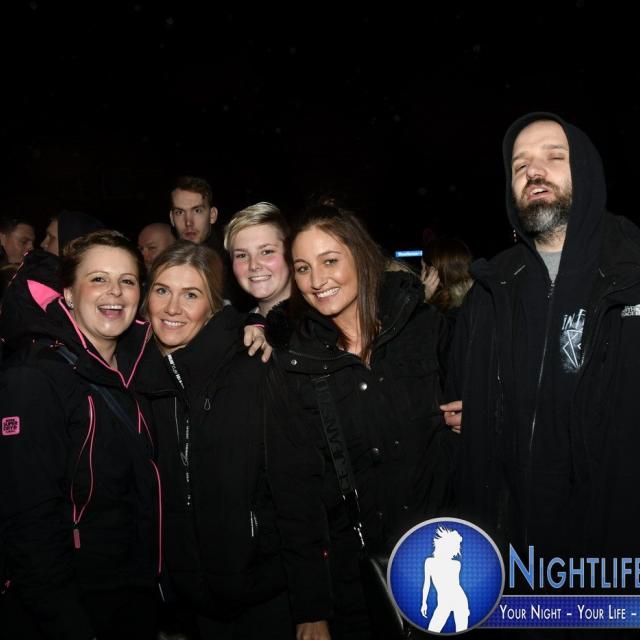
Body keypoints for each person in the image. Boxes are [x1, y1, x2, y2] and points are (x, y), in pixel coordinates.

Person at [445, 112, 640, 566]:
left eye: (554, 157)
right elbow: (459, 409)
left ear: (586, 172)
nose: (534, 171)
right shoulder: (490, 289)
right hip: (512, 552)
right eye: (520, 165)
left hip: (612, 552)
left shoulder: (631, 277)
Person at [266, 205, 455, 639]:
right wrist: (311, 608)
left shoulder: (426, 330)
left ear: (362, 257)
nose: (317, 280)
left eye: (330, 260)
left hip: (446, 557)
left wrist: (474, 417)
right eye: (303, 268)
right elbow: (294, 496)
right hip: (357, 583)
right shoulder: (295, 364)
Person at [137, 241, 329, 639]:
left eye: (191, 295)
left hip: (264, 595)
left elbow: (297, 489)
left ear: (213, 306)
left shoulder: (252, 369)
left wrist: (311, 606)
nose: (172, 308)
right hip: (189, 604)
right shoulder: (141, 378)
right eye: (162, 290)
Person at [0, 230, 160, 639]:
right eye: (98, 278)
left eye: (127, 280)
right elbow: (29, 525)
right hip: (73, 607)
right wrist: (68, 622)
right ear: (68, 294)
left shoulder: (136, 368)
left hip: (132, 596)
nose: (115, 291)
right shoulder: (34, 378)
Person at [224, 202, 292, 317]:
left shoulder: (318, 324)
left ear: (290, 254)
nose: (253, 265)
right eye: (242, 255)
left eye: (266, 252)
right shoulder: (236, 326)